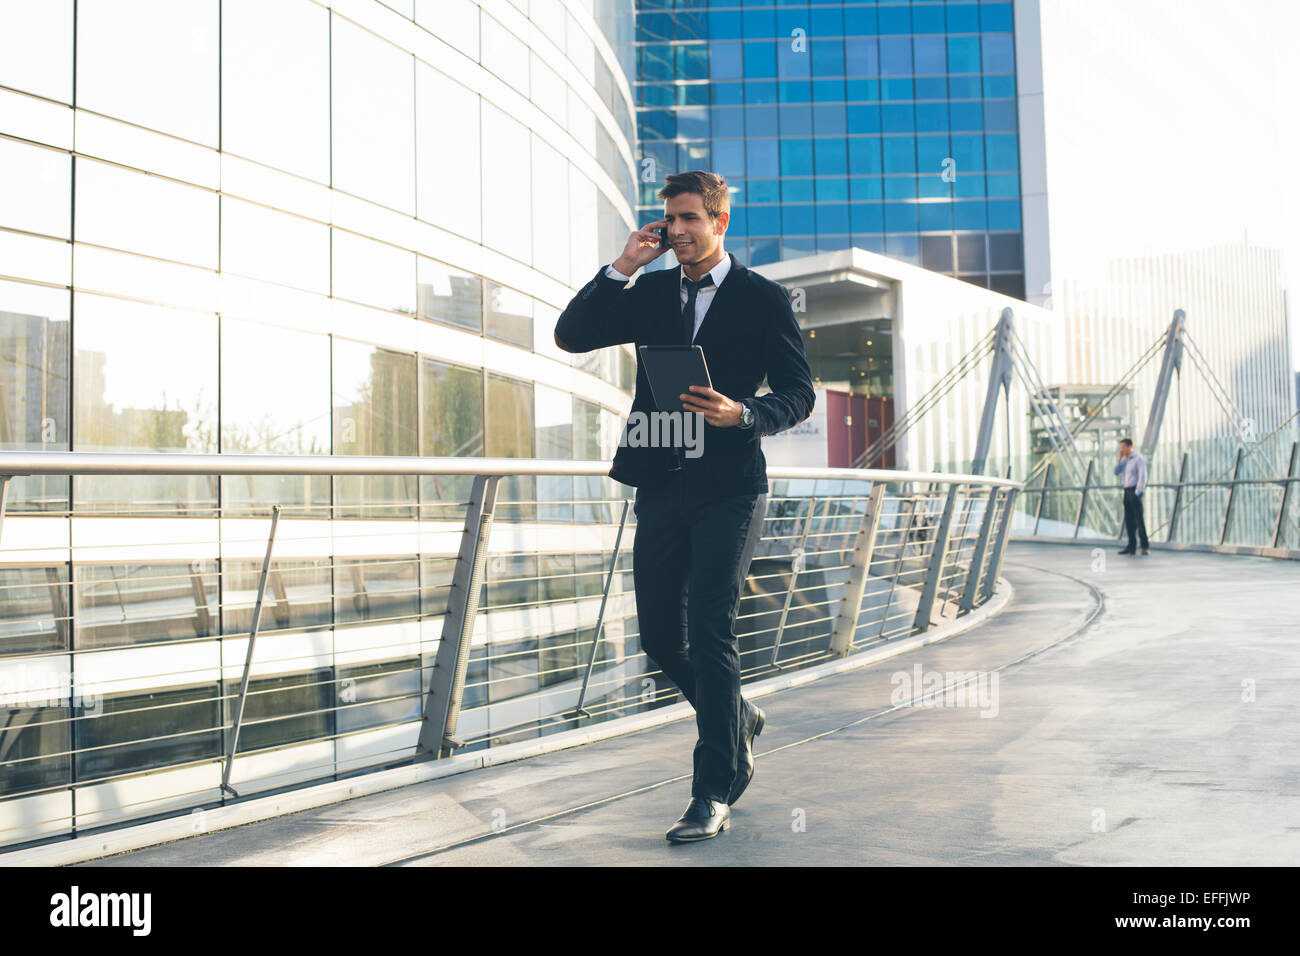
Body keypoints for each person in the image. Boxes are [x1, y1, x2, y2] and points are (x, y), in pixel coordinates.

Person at [554, 170, 816, 843]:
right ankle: (737, 718)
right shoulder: (647, 293)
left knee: (711, 630)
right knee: (660, 639)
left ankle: (711, 791)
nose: (677, 230)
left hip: (729, 486)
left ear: (720, 222)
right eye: (669, 219)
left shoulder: (764, 299)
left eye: (690, 218)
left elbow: (797, 393)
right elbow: (571, 335)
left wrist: (743, 412)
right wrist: (621, 266)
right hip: (661, 477)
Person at [1114, 437, 1149, 555]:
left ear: (1130, 446)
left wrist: (1137, 492)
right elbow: (1115, 472)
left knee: (1139, 520)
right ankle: (1131, 546)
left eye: (1123, 447)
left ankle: (1144, 546)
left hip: (1134, 491)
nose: (1122, 450)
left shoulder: (1138, 459)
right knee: (1129, 520)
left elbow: (1142, 476)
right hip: (1126, 490)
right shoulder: (1124, 460)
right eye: (1121, 448)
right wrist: (1119, 459)